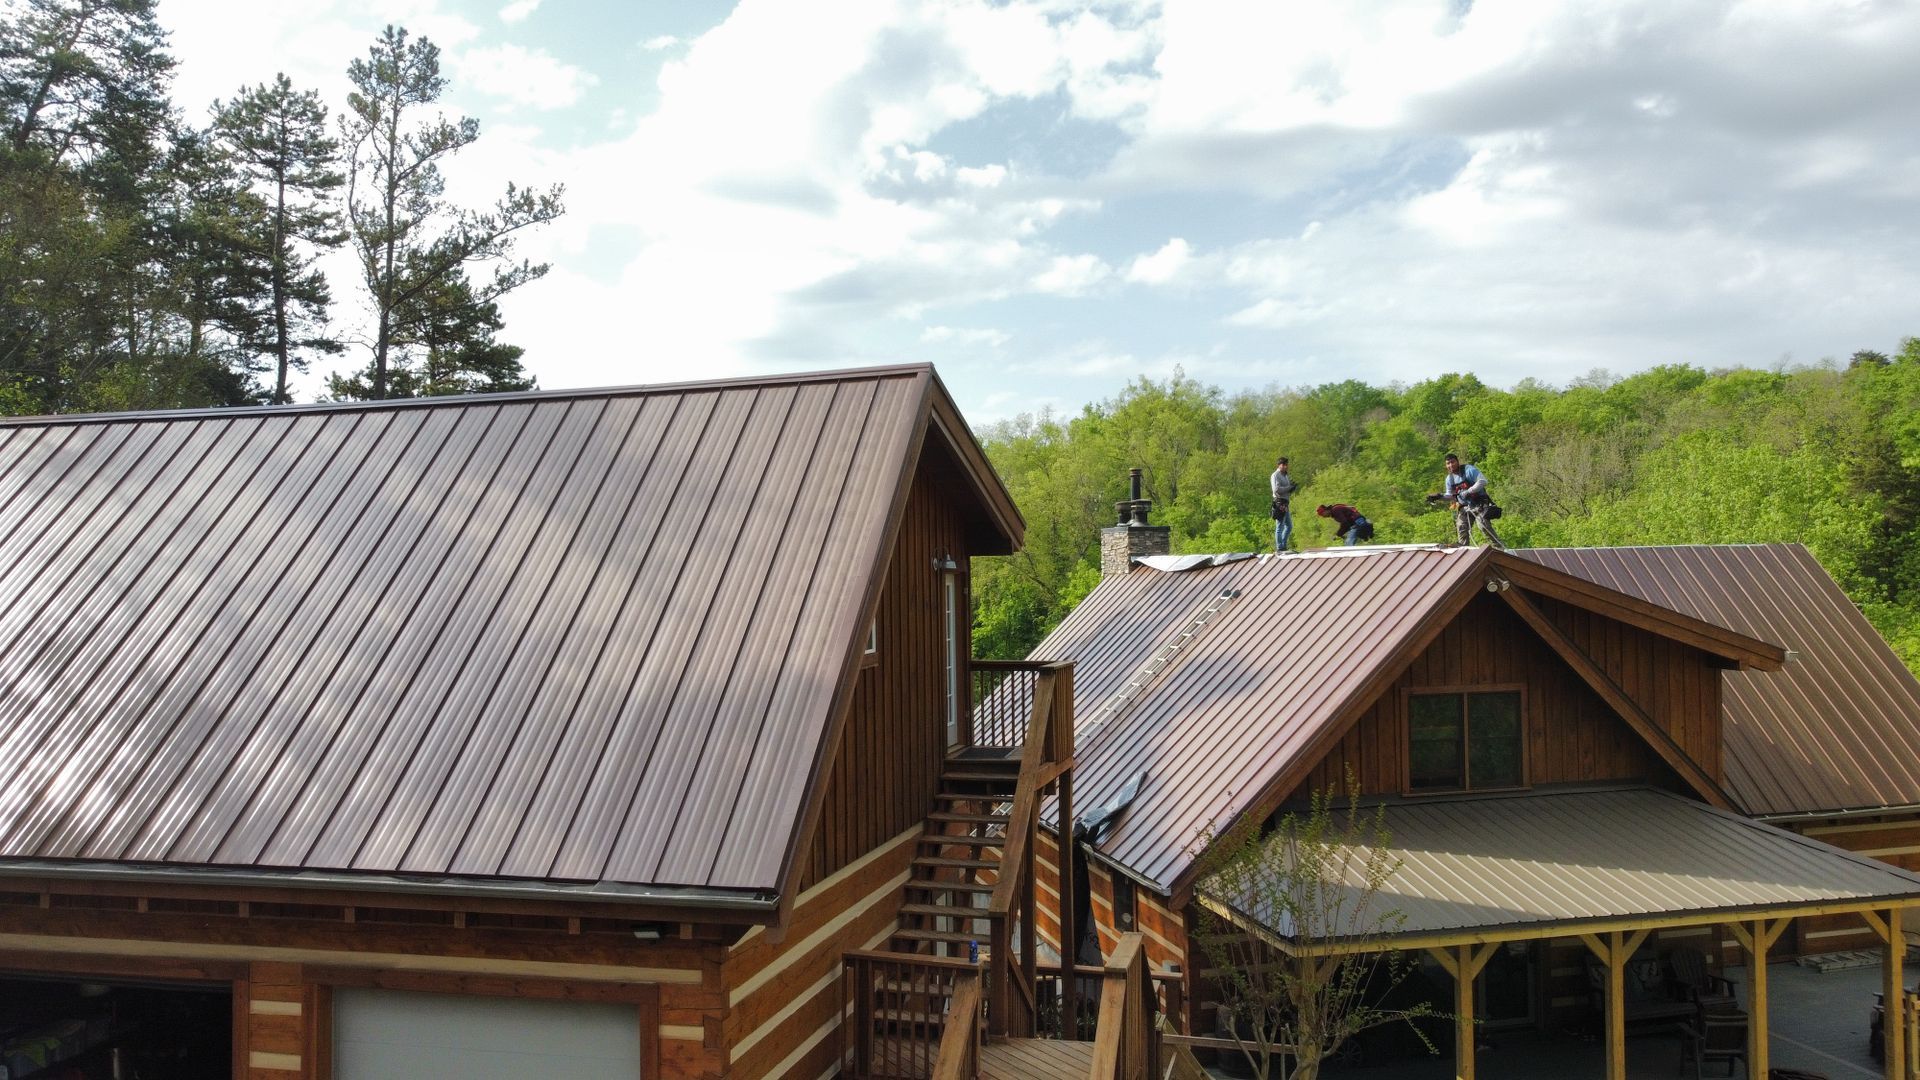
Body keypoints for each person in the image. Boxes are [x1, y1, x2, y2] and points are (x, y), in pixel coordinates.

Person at [1431, 453, 1504, 548]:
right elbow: (1451, 496)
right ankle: (1463, 548)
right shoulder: (1449, 479)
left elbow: (1483, 481)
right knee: (1461, 527)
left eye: (1452, 462)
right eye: (1448, 463)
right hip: (1465, 507)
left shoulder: (1468, 470)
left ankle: (1499, 547)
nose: (1450, 465)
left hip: (1479, 504)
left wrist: (1469, 491)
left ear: (1457, 462)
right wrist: (1439, 497)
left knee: (1483, 526)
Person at [1269, 456, 1297, 552]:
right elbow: (1276, 490)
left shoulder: (1285, 475)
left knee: (1289, 526)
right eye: (1283, 465)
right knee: (1280, 526)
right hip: (1279, 502)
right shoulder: (1275, 475)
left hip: (1285, 503)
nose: (1285, 466)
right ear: (1279, 465)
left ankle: (1283, 545)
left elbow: (1286, 490)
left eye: (1286, 464)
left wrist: (1292, 488)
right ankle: (1280, 548)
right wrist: (1289, 487)